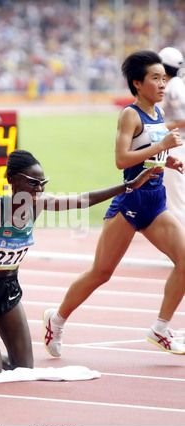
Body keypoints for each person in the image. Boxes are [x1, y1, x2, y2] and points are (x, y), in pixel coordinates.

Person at [0, 149, 157, 375]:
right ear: (13, 181)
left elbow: (82, 201)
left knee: (24, 367)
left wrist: (128, 186)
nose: (40, 188)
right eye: (33, 183)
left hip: (9, 287)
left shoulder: (38, 204)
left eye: (42, 182)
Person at [43, 50, 185, 358]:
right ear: (137, 83)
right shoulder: (130, 114)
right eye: (156, 79)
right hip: (130, 203)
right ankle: (57, 319)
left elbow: (147, 152)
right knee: (102, 273)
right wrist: (161, 146)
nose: (163, 85)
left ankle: (160, 329)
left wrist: (166, 160)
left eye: (164, 78)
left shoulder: (157, 113)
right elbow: (122, 160)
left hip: (156, 202)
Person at [158, 47, 185, 226]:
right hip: (176, 142)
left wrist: (156, 127)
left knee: (175, 199)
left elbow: (183, 119)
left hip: (176, 144)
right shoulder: (176, 84)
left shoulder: (173, 87)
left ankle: (177, 250)